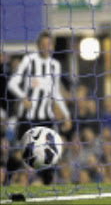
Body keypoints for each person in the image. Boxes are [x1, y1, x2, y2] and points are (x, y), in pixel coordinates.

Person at [6, 30, 71, 184]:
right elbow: (12, 83)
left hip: (46, 119)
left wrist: (66, 116)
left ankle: (47, 189)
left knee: (49, 155)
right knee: (20, 155)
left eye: (48, 44)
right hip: (27, 117)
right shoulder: (29, 60)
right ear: (38, 46)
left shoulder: (55, 65)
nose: (46, 47)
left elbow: (55, 92)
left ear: (53, 46)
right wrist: (23, 97)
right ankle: (6, 183)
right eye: (43, 44)